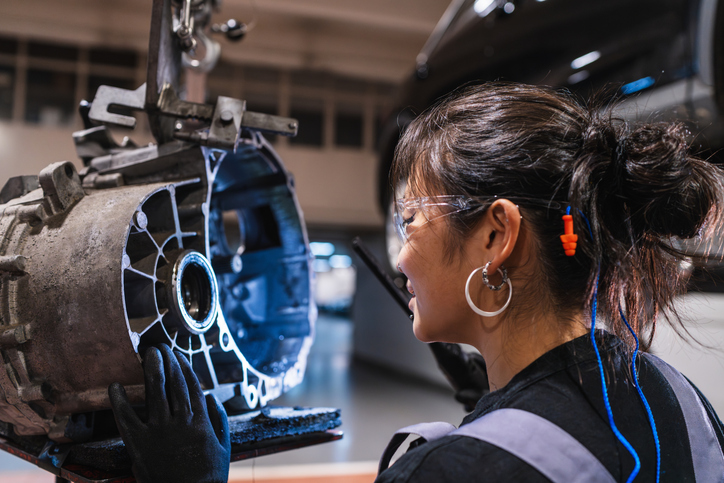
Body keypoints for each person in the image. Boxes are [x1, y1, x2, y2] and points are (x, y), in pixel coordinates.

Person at [109, 82, 724, 482]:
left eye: (410, 220)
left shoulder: (454, 472)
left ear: (495, 236)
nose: (399, 258)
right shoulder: (685, 401)